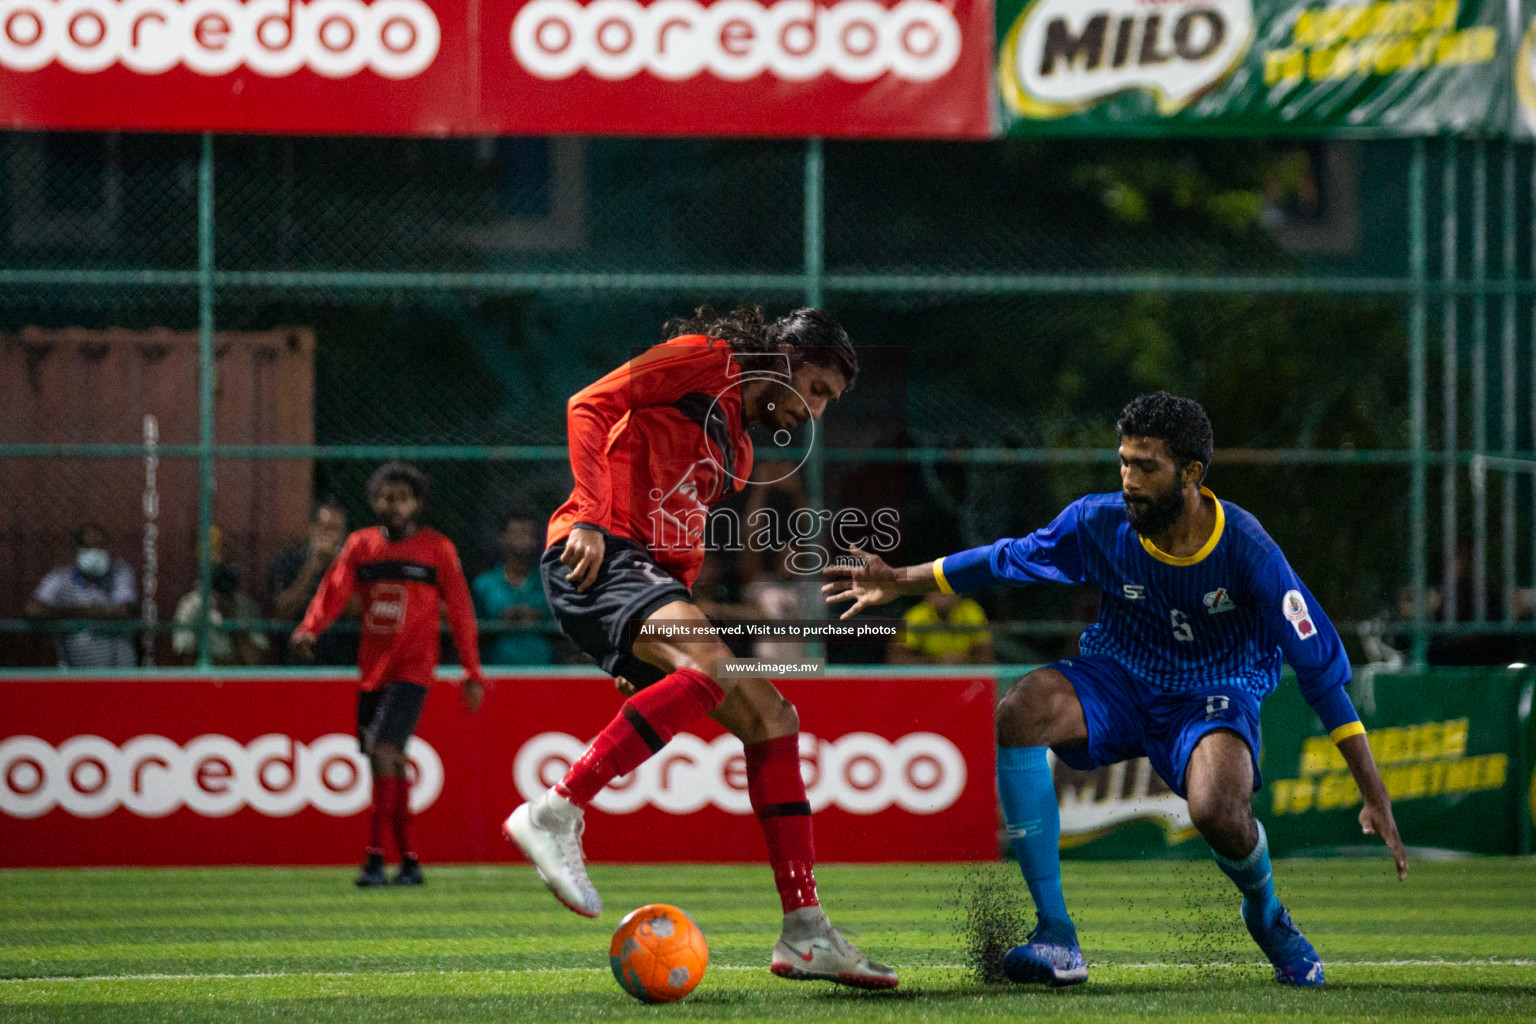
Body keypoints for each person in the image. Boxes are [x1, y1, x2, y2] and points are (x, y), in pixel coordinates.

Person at [823, 392, 1408, 988]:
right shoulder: (1098, 522)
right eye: (1124, 462)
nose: (1128, 479)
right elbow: (1005, 559)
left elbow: (1321, 671)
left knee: (1216, 813)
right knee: (1020, 710)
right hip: (1121, 678)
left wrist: (1374, 794)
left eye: (1145, 466)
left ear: (1191, 473)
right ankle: (1056, 935)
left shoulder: (1247, 548)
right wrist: (900, 580)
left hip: (1215, 691)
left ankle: (1267, 915)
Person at [502, 304, 896, 989]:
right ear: (785, 361)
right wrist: (592, 517)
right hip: (594, 552)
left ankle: (805, 931)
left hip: (643, 576)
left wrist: (649, 656)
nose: (818, 412)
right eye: (819, 390)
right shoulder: (700, 359)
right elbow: (588, 405)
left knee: (774, 716)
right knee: (713, 666)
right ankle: (554, 809)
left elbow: (679, 547)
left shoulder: (738, 451)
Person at [292, 462, 487, 887]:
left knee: (382, 750)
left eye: (401, 497)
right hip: (372, 673)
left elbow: (460, 610)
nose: (392, 505)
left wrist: (471, 670)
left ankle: (374, 859)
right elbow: (335, 590)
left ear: (417, 503)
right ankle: (411, 861)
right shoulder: (361, 546)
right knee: (389, 760)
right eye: (385, 497)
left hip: (413, 672)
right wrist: (311, 627)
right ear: (374, 502)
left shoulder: (437, 549)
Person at [25, 523, 136, 668]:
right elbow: (32, 610)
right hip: (77, 671)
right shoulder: (60, 578)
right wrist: (81, 611)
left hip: (118, 671)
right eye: (88, 547)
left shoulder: (119, 572)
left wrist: (62, 613)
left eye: (100, 547)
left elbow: (123, 611)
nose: (95, 552)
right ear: (76, 550)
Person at [269, 497, 358, 666]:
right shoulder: (289, 558)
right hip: (298, 661)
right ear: (312, 529)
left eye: (334, 530)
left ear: (343, 535)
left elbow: (356, 613)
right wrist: (312, 567)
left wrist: (335, 566)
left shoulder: (352, 564)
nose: (327, 535)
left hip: (340, 662)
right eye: (323, 528)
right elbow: (282, 613)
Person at [172, 527, 269, 666]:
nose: (219, 562)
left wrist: (230, 619)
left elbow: (254, 660)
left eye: (223, 554)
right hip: (205, 683)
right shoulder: (191, 605)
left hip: (240, 683)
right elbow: (185, 659)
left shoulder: (246, 606)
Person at [472, 513, 555, 665]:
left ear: (536, 541)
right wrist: (500, 619)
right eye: (516, 534)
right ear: (502, 539)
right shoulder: (483, 584)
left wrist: (538, 616)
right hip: (495, 672)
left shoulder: (550, 584)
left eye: (527, 535)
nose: (521, 541)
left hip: (544, 673)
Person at [890, 590, 993, 664]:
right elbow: (897, 659)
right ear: (927, 594)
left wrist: (965, 660)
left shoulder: (972, 611)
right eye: (937, 590)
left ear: (959, 594)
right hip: (926, 681)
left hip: (965, 679)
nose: (943, 594)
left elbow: (985, 656)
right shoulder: (916, 615)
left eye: (947, 590)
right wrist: (937, 661)